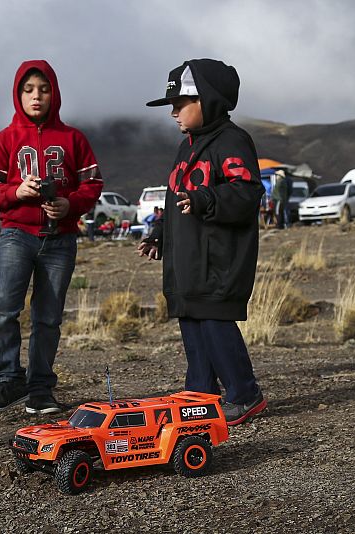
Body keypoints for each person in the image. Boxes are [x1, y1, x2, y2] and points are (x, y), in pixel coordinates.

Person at [138, 59, 266, 426]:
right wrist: (160, 233)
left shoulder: (232, 141)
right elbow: (176, 200)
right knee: (192, 322)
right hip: (188, 262)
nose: (173, 113)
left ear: (207, 100)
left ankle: (245, 394)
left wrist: (206, 199)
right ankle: (200, 396)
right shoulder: (186, 148)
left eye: (180, 104)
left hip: (218, 260)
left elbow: (247, 193)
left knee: (214, 322)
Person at [0, 60, 103, 415]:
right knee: (2, 307)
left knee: (48, 316)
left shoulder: (74, 139)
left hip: (60, 239)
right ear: (18, 95)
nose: (37, 96)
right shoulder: (3, 140)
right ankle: (8, 379)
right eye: (29, 90)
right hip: (17, 235)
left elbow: (93, 184)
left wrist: (69, 204)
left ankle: (40, 388)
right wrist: (16, 192)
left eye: (44, 90)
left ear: (54, 94)